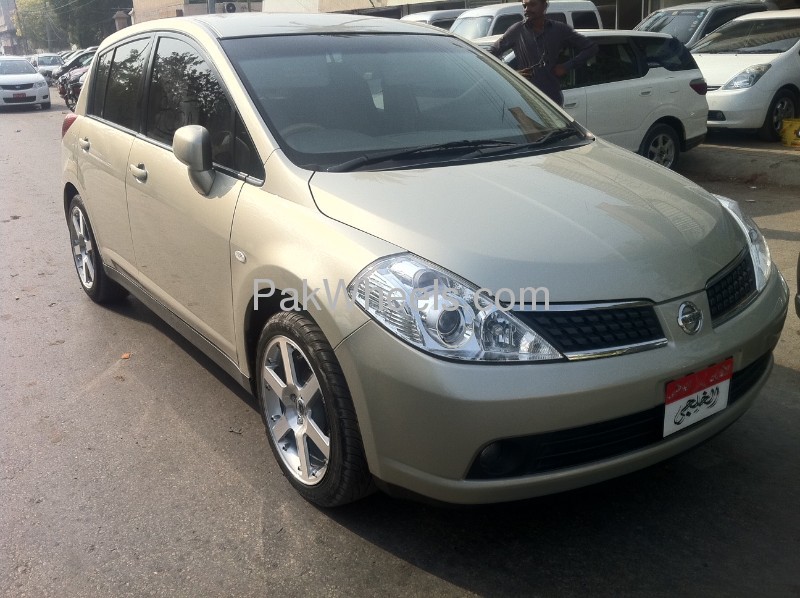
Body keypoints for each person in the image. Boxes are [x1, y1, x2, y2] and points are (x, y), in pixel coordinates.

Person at [490, 0, 598, 106]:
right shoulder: (516, 30)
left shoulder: (559, 29)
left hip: (552, 101)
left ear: (544, 5)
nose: (527, 9)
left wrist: (566, 66)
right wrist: (511, 74)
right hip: (526, 101)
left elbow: (591, 48)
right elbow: (489, 54)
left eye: (532, 5)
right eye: (524, 6)